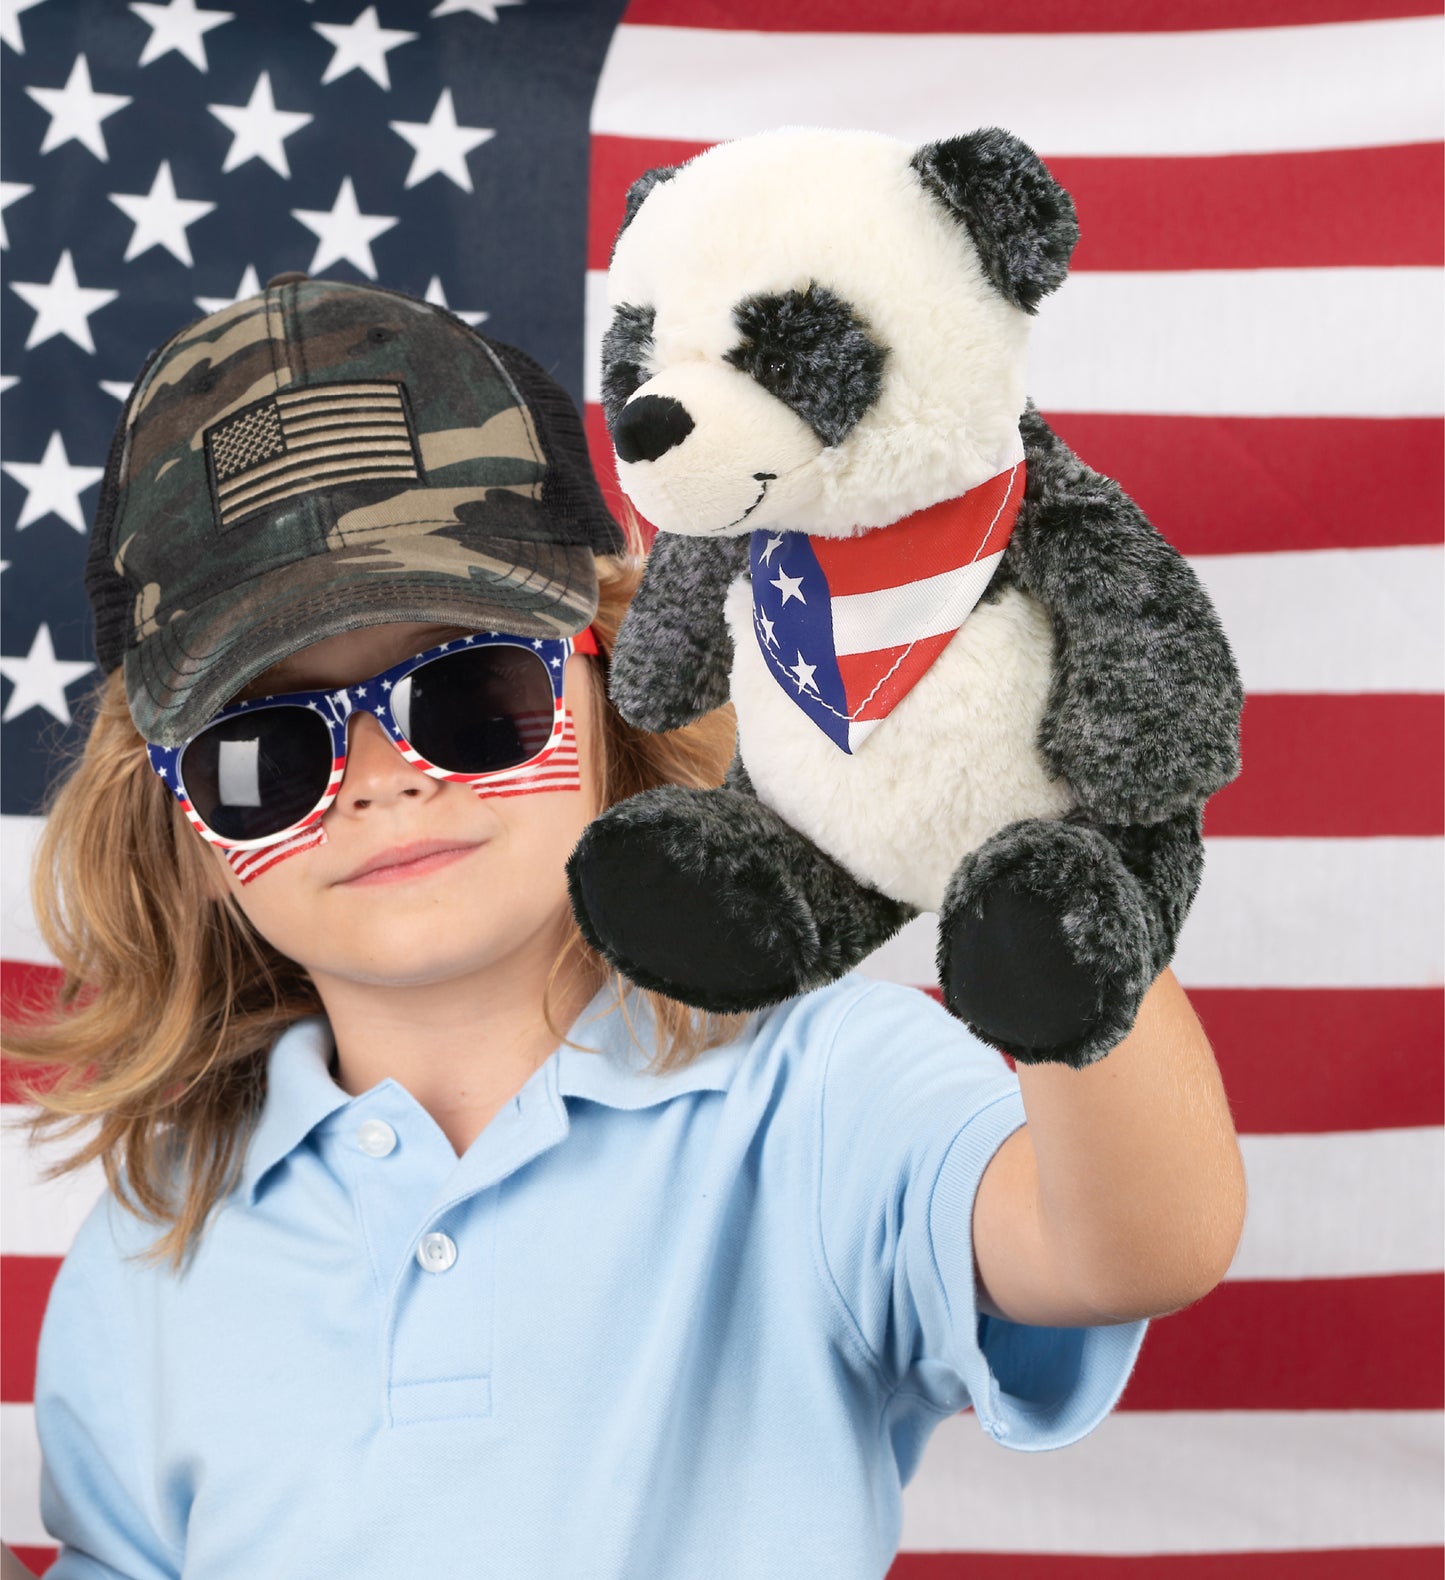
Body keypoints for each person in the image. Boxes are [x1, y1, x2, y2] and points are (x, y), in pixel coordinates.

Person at [6, 276, 1246, 1580]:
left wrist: (1041, 877)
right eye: (260, 751)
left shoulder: (816, 1096)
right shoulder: (158, 1234)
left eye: (467, 692)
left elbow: (1131, 1248)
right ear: (186, 834)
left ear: (612, 673)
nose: (379, 776)